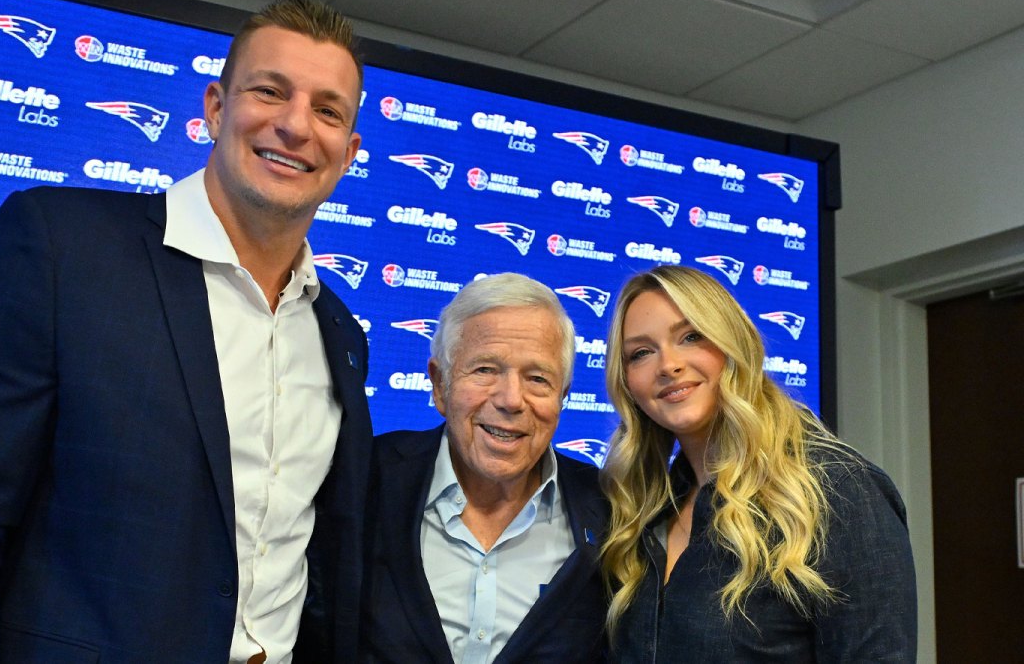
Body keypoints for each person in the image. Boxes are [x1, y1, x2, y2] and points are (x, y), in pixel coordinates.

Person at [0, 0, 372, 663]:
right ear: (216, 108)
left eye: (328, 111)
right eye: (269, 91)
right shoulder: (61, 247)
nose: (295, 124)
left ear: (349, 153)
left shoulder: (339, 333)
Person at [599, 265, 916, 662]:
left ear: (734, 344)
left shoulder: (840, 490)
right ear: (626, 381)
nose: (668, 365)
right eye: (641, 353)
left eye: (691, 336)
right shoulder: (643, 510)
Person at [359, 273, 610, 663]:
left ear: (562, 398)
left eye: (537, 378)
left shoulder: (611, 510)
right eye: (485, 370)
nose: (511, 400)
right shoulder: (364, 479)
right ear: (440, 385)